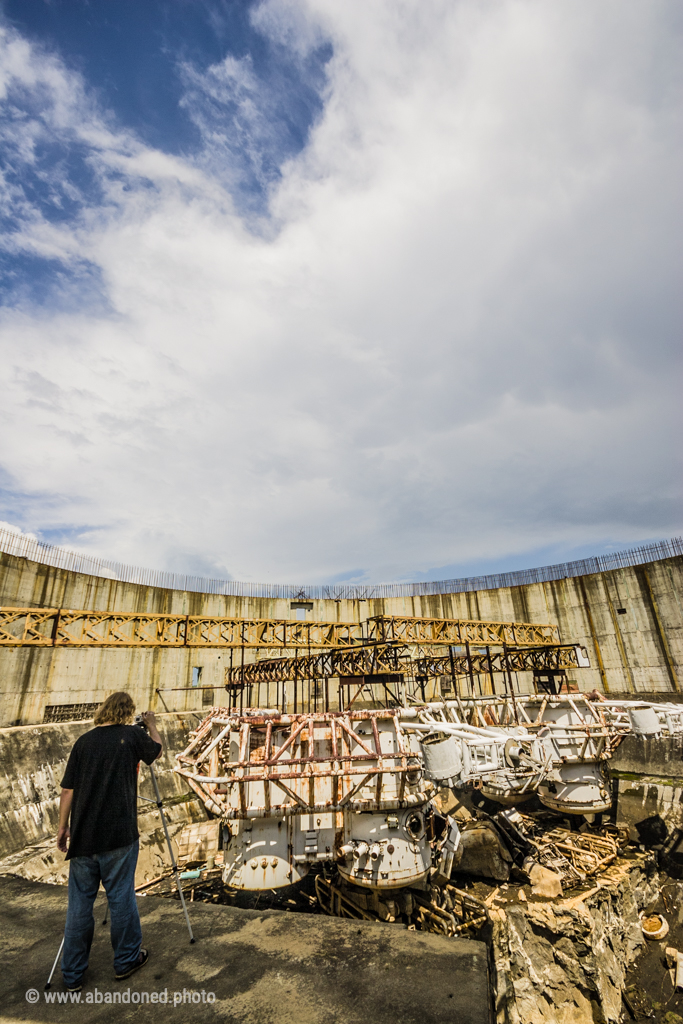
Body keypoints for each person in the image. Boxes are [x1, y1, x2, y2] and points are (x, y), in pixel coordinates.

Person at [57, 691, 163, 991]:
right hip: (118, 835)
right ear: (128, 712)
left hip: (83, 837)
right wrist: (151, 723)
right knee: (121, 897)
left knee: (79, 905)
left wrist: (63, 827)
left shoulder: (83, 741)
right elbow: (156, 751)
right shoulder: (131, 735)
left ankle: (73, 975)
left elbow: (68, 790)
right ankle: (126, 960)